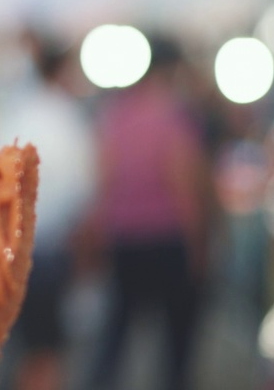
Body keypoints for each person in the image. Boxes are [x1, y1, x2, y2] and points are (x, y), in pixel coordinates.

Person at [84, 37, 209, 390]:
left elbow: (103, 182)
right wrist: (198, 243)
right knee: (176, 343)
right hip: (166, 239)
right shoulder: (173, 118)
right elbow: (182, 184)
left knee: (116, 336)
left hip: (125, 240)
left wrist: (98, 236)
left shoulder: (115, 116)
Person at [0, 33, 95, 390]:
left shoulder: (14, 112)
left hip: (6, 248)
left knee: (6, 350)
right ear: (61, 70)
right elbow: (84, 190)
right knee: (45, 352)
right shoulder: (67, 120)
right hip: (47, 250)